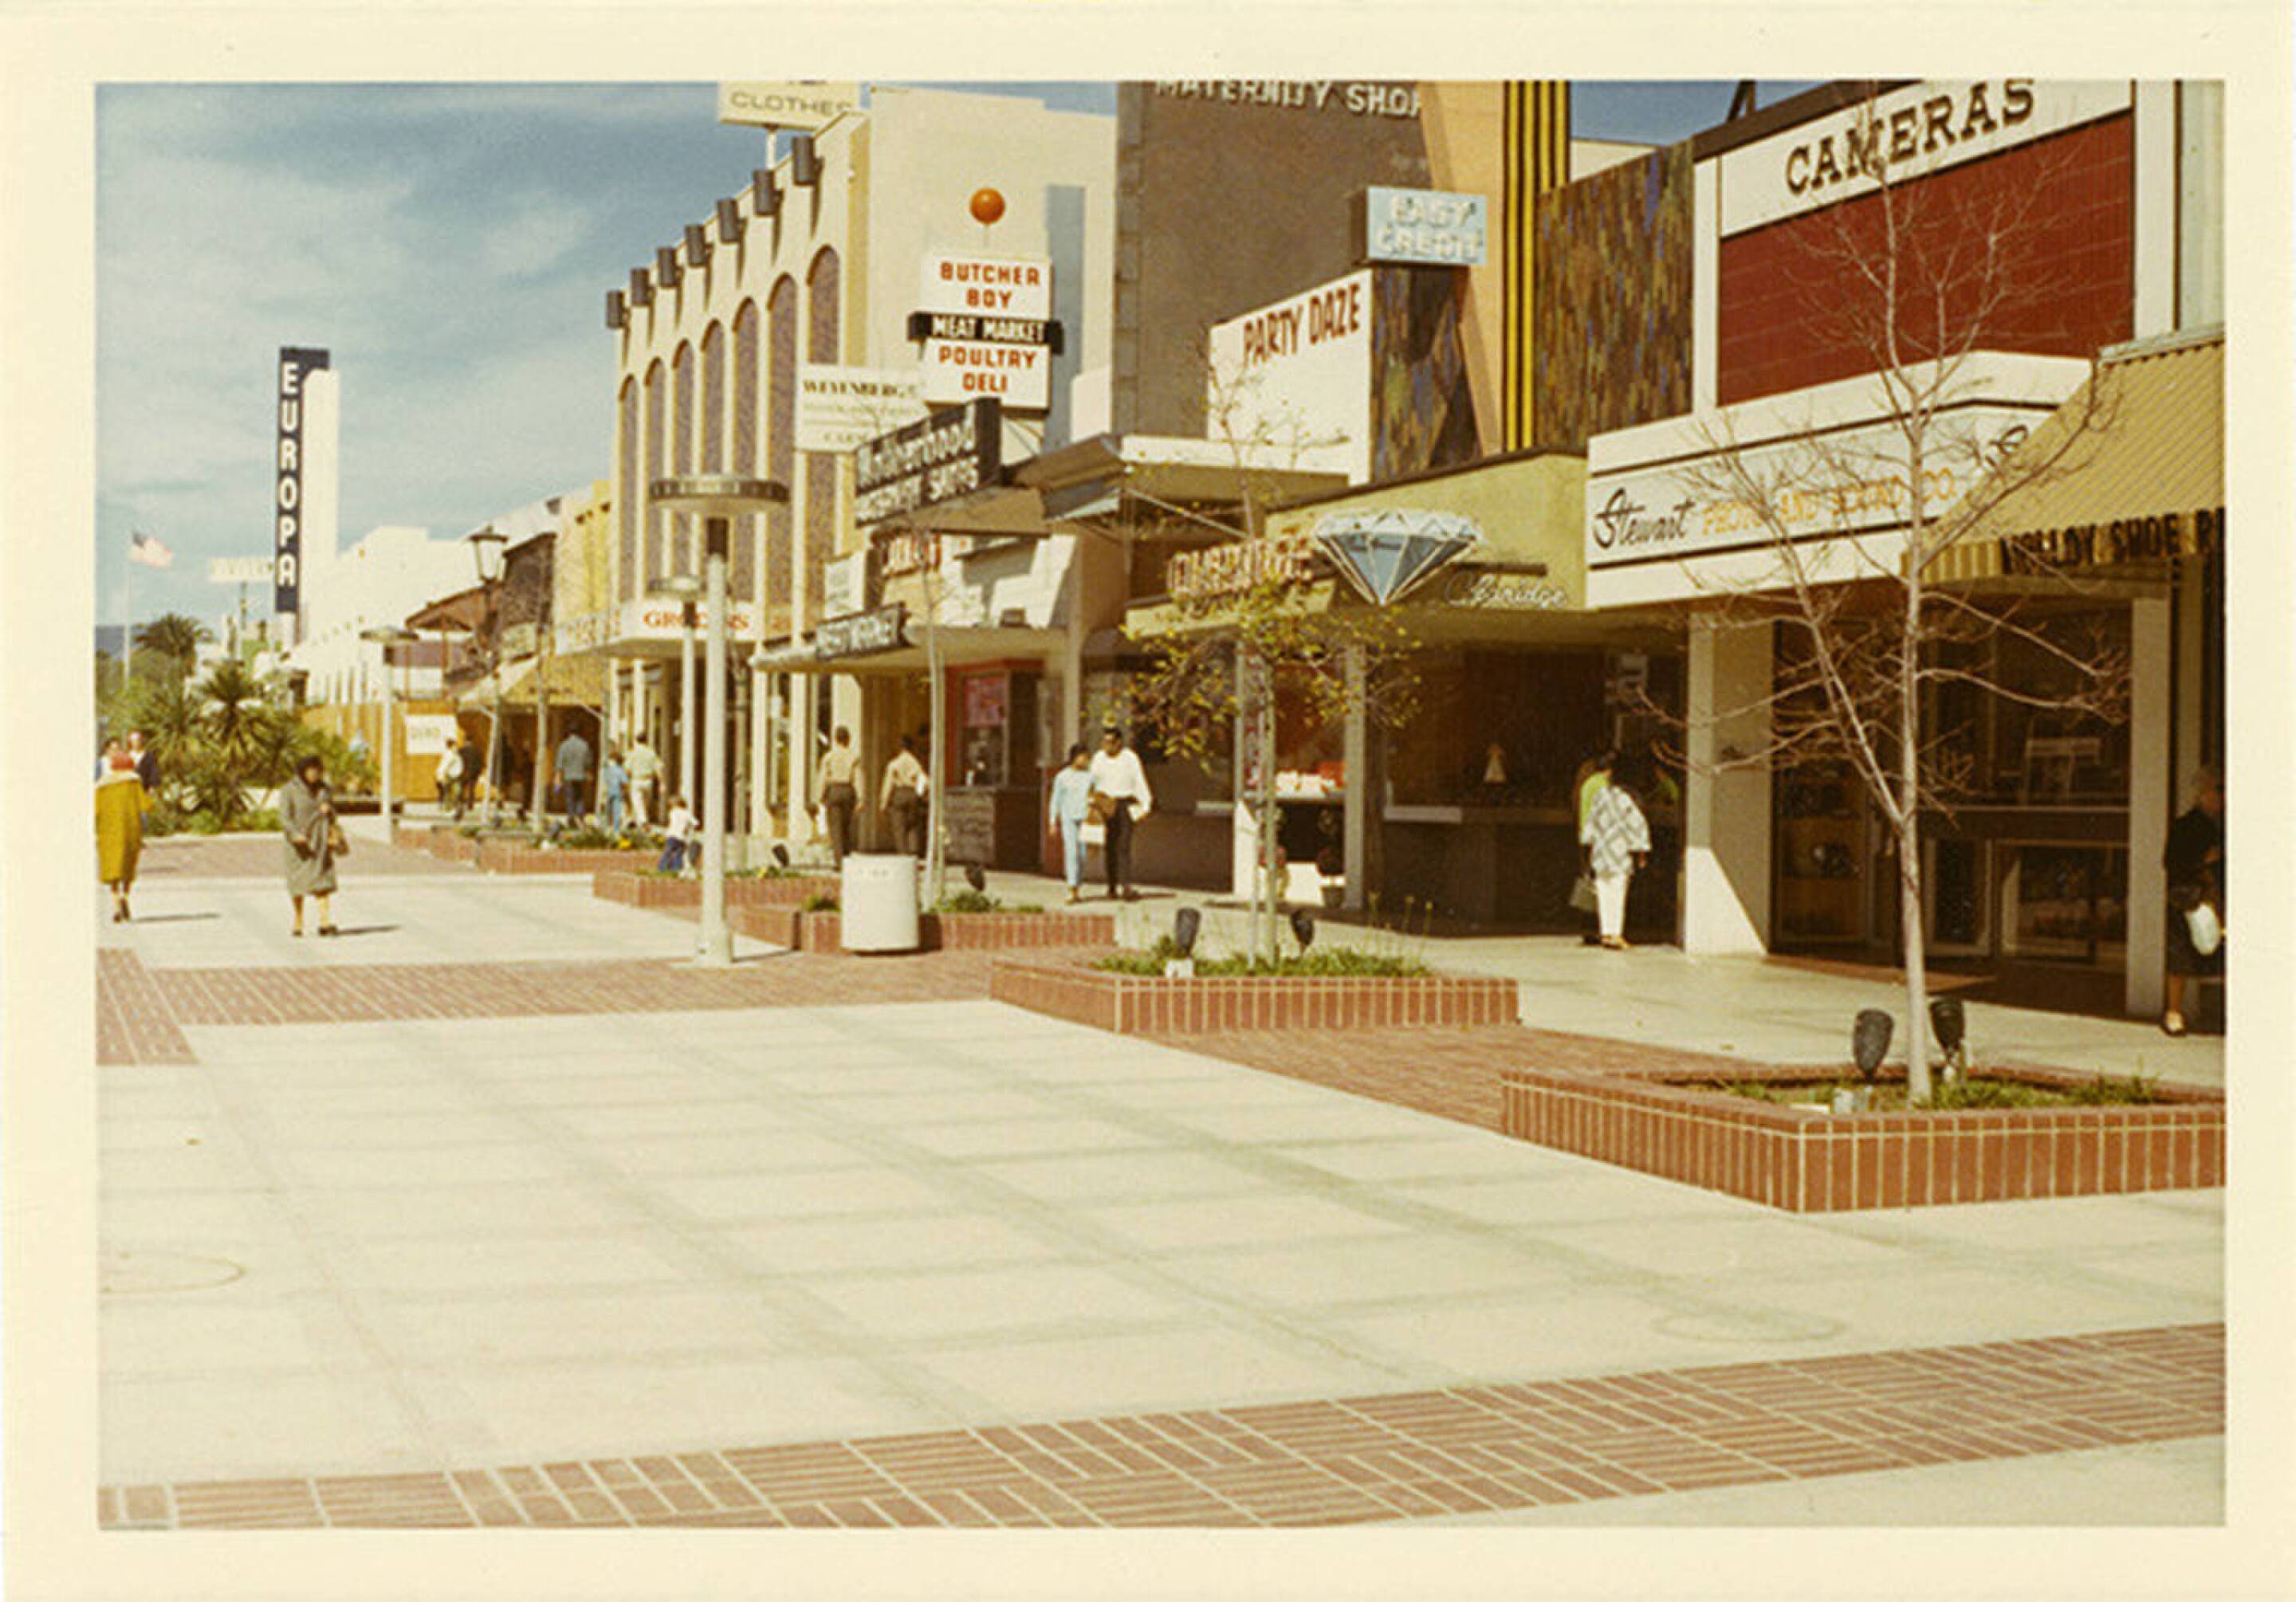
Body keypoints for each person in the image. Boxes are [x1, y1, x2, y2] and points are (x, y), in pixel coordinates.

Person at [2161, 764, 2224, 1038]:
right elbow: (2171, 862)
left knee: (2221, 955)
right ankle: (2173, 1012)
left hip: (2220, 898)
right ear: (2202, 794)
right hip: (2192, 899)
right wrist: (2203, 860)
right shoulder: (2186, 825)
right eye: (2217, 790)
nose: (2223, 797)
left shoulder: (2226, 824)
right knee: (2181, 957)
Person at [1580, 752, 1650, 951]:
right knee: (1618, 892)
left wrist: (1589, 844)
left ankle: (1606, 932)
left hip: (1601, 852)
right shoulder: (1626, 799)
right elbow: (1637, 825)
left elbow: (1590, 824)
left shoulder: (1600, 796)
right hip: (1619, 851)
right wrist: (1641, 852)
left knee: (1603, 892)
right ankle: (1616, 934)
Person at [1087, 724, 1154, 901]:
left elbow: (1139, 781)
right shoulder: (1099, 759)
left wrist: (1146, 804)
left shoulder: (1129, 758)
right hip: (1105, 804)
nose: (1106, 746)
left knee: (1123, 846)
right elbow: (1091, 781)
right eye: (1104, 742)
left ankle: (1126, 886)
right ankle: (1111, 887)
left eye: (1110, 742)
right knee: (1110, 847)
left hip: (1124, 803)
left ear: (1119, 743)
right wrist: (1090, 802)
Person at [280, 754, 340, 937]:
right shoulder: (289, 790)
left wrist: (329, 811)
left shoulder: (324, 789)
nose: (314, 775)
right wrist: (294, 834)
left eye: (317, 771)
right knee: (298, 883)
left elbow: (334, 815)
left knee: (322, 882)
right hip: (299, 844)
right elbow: (284, 816)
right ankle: (298, 919)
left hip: (320, 842)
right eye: (311, 771)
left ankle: (324, 922)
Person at [96, 743, 147, 924]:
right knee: (127, 866)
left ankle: (116, 900)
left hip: (108, 832)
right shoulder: (134, 783)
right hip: (130, 829)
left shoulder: (102, 787)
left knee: (112, 867)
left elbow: (95, 811)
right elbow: (145, 806)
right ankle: (125, 895)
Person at [1571, 748, 1617, 944]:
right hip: (1599, 839)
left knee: (1589, 879)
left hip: (1586, 836)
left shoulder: (1586, 783)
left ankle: (1587, 926)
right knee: (1602, 884)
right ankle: (1599, 926)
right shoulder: (1602, 785)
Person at [1048, 742, 1095, 905]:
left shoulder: (1090, 776)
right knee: (1071, 852)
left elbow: (1095, 795)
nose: (1085, 760)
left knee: (1082, 855)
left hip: (1085, 818)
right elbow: (1056, 800)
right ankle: (1072, 888)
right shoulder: (1062, 777)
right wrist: (1053, 821)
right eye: (1082, 757)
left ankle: (1078, 885)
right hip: (1068, 818)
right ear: (1074, 757)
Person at [816, 725, 863, 866]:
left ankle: (839, 860)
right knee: (847, 824)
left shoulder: (829, 757)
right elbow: (858, 778)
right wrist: (860, 797)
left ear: (835, 739)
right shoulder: (853, 757)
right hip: (848, 789)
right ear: (848, 739)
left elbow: (823, 777)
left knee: (835, 826)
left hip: (834, 790)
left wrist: (820, 796)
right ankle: (847, 856)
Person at [880, 734, 928, 859]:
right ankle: (913, 852)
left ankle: (903, 854)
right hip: (912, 793)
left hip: (899, 793)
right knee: (913, 824)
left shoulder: (894, 764)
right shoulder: (916, 763)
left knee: (899, 826)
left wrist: (884, 801)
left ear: (900, 747)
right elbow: (925, 781)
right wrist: (923, 795)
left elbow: (888, 784)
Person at [556, 726, 593, 825]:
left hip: (568, 776)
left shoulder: (564, 746)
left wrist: (558, 778)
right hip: (581, 775)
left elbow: (560, 763)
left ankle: (571, 816)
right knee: (580, 796)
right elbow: (588, 762)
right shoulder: (584, 745)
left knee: (570, 797)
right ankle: (580, 815)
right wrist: (589, 773)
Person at [623, 734, 662, 830]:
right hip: (648, 780)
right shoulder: (651, 753)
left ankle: (643, 821)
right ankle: (640, 821)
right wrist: (662, 782)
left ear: (636, 741)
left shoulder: (633, 753)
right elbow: (658, 768)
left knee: (637, 802)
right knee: (644, 803)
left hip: (636, 779)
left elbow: (627, 768)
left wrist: (626, 780)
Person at [656, 794, 698, 874]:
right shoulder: (687, 813)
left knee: (668, 851)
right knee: (679, 853)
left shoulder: (673, 813)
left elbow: (672, 823)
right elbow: (695, 823)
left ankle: (662, 867)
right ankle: (676, 868)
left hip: (671, 835)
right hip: (681, 837)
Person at [599, 747, 630, 835]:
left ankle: (605, 828)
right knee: (617, 811)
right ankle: (616, 830)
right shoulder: (620, 770)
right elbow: (625, 782)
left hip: (607, 792)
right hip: (618, 792)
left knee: (607, 811)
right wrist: (626, 793)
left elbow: (604, 782)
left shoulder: (606, 770)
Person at [455, 732, 483, 818]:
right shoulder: (477, 751)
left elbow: (457, 762)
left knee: (462, 789)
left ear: (465, 740)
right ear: (472, 741)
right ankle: (470, 805)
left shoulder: (461, 750)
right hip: (473, 773)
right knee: (471, 789)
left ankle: (460, 804)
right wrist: (478, 772)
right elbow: (480, 763)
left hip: (463, 772)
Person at [128, 729, 159, 794]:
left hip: (144, 789)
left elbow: (154, 771)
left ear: (141, 741)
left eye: (137, 740)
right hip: (130, 789)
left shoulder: (149, 756)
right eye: (133, 741)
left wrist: (152, 787)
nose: (135, 743)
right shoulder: (127, 756)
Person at [433, 743, 463, 810]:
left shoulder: (455, 755)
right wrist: (441, 774)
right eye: (455, 746)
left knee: (454, 792)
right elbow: (445, 765)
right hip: (449, 776)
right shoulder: (450, 755)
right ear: (451, 747)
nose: (456, 748)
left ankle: (451, 806)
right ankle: (449, 807)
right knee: (450, 791)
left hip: (455, 776)